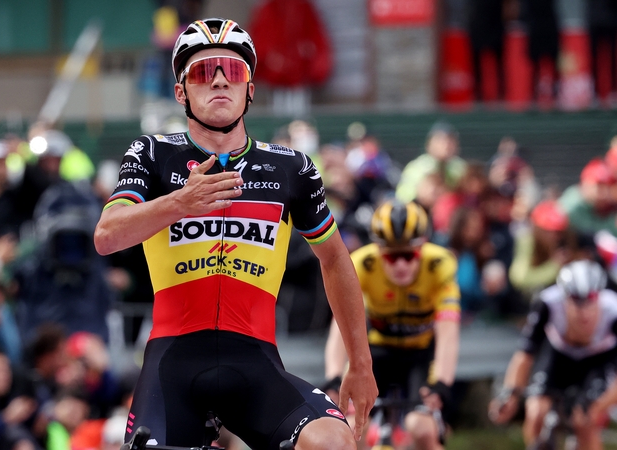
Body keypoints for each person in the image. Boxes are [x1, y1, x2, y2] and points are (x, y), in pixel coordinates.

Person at [94, 17, 375, 450]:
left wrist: (360, 361)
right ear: (181, 92)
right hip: (173, 364)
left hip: (255, 361)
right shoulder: (151, 153)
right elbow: (107, 236)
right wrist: (179, 203)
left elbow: (335, 258)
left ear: (250, 90)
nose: (220, 80)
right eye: (204, 72)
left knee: (332, 442)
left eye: (234, 71)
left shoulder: (292, 168)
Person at [325, 200, 461, 450]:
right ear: (378, 251)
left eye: (409, 255)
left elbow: (448, 334)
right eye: (391, 256)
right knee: (351, 428)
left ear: (422, 247)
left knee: (422, 429)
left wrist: (442, 383)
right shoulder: (361, 264)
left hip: (420, 356)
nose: (400, 265)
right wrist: (334, 376)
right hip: (377, 354)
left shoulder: (440, 266)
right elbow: (339, 329)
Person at [489, 260, 617, 450]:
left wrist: (598, 407)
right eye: (576, 300)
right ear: (564, 297)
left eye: (591, 299)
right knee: (536, 413)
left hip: (598, 361)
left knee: (585, 420)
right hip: (559, 356)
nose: (584, 312)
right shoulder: (547, 303)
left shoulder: (613, 311)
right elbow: (525, 354)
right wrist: (510, 395)